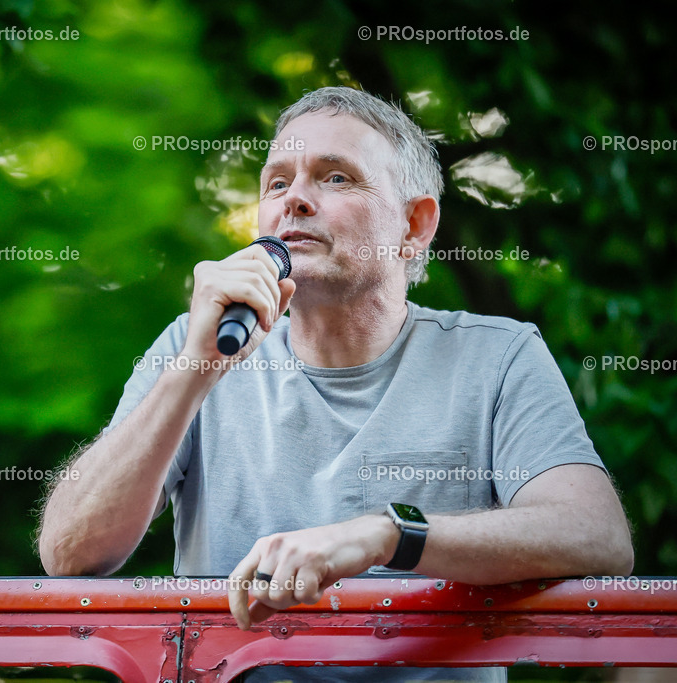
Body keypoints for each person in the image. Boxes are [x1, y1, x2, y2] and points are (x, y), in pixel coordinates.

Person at [37, 86, 634, 682]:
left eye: (336, 177)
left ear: (414, 225)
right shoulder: (193, 344)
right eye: (277, 182)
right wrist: (195, 371)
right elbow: (70, 553)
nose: (293, 199)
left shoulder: (497, 355)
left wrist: (387, 535)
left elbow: (597, 535)